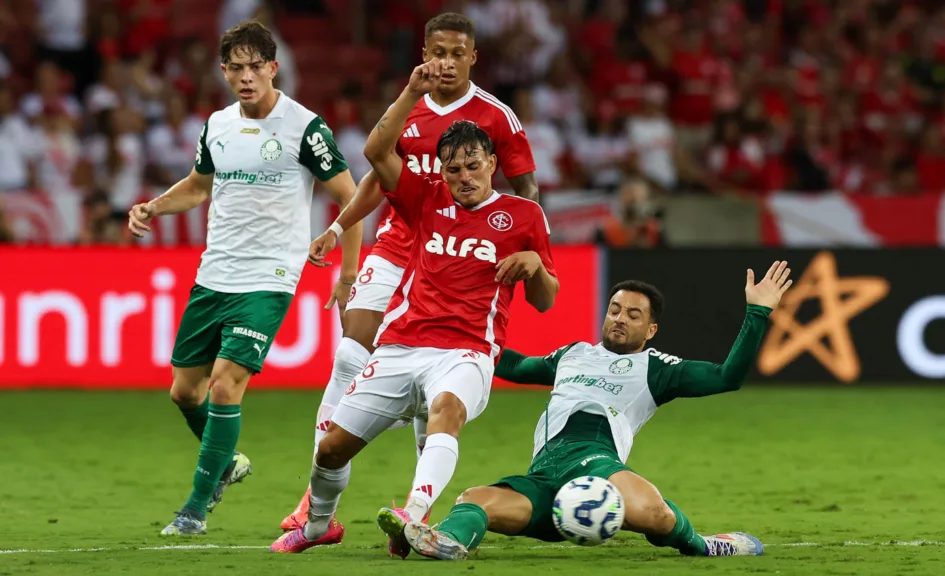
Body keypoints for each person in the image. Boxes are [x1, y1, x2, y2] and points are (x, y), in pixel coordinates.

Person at [270, 57, 558, 555]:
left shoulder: (523, 216)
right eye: (454, 168)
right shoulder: (424, 198)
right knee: (331, 448)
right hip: (402, 344)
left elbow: (546, 301)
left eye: (474, 165)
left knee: (446, 410)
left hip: (467, 351)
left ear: (492, 163)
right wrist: (409, 93)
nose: (465, 176)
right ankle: (317, 526)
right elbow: (375, 150)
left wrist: (534, 264)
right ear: (441, 171)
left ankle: (413, 517)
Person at [127, 19, 363, 536]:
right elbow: (197, 186)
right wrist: (154, 207)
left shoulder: (306, 127)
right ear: (225, 73)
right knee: (183, 392)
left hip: (270, 275)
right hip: (216, 272)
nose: (246, 76)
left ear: (274, 68)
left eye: (256, 66)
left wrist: (348, 272)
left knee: (224, 387)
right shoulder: (218, 125)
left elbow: (352, 198)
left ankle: (193, 509)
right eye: (236, 68)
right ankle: (226, 464)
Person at [401, 265, 795, 560]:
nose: (620, 318)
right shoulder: (573, 355)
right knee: (473, 500)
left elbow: (727, 376)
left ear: (652, 330)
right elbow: (515, 366)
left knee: (654, 513)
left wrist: (757, 313)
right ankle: (444, 541)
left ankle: (704, 546)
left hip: (598, 466)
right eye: (615, 309)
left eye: (633, 314)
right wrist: (459, 338)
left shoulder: (658, 369)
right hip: (544, 478)